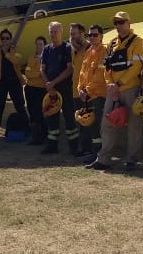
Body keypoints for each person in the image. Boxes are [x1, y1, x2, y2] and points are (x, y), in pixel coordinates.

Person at [86, 11, 143, 171]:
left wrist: (119, 83)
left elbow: (136, 67)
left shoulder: (138, 42)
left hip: (130, 88)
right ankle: (104, 158)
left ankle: (132, 159)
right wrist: (110, 84)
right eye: (116, 23)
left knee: (134, 125)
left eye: (121, 22)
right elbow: (106, 68)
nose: (118, 26)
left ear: (128, 23)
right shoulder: (111, 43)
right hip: (113, 91)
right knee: (107, 124)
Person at [40, 21, 79, 154]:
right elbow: (42, 69)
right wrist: (48, 84)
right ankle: (52, 146)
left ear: (61, 31)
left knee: (69, 117)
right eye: (51, 31)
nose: (53, 34)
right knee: (51, 116)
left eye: (56, 31)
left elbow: (69, 70)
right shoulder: (46, 49)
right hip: (51, 89)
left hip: (65, 88)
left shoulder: (67, 48)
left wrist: (54, 83)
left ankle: (74, 147)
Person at [76, 23, 107, 163]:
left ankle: (99, 154)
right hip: (86, 95)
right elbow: (82, 73)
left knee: (97, 126)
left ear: (101, 36)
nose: (92, 38)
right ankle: (91, 152)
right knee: (87, 124)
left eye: (95, 35)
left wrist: (87, 90)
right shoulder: (88, 51)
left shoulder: (104, 51)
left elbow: (100, 75)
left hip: (97, 95)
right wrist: (80, 89)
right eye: (90, 35)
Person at [0, 28, 27, 140]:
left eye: (7, 38)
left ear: (10, 39)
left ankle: (27, 130)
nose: (5, 40)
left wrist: (6, 52)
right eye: (3, 38)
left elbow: (16, 61)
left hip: (14, 81)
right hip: (1, 83)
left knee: (20, 106)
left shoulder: (15, 50)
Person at [23, 36, 48, 145]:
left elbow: (45, 74)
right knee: (32, 112)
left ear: (45, 45)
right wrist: (38, 74)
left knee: (41, 113)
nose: (38, 46)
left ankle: (43, 136)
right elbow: (27, 73)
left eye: (41, 44)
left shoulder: (47, 58)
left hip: (41, 89)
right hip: (30, 89)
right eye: (37, 44)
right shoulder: (31, 58)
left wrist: (37, 74)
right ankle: (34, 137)